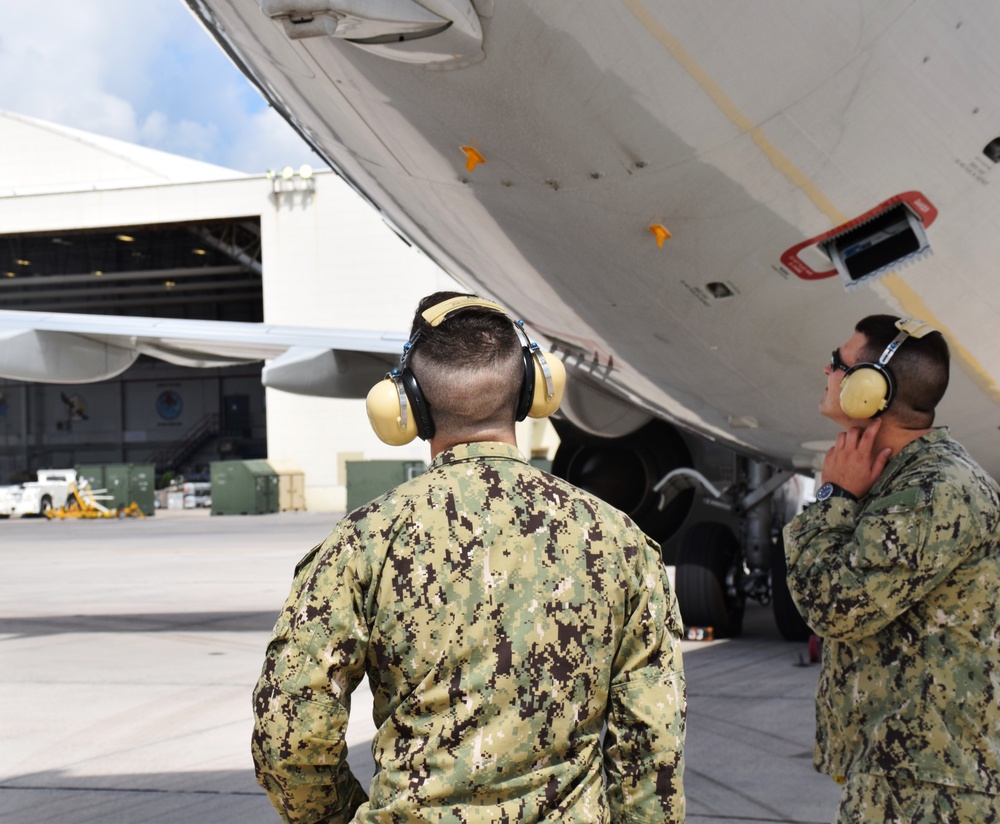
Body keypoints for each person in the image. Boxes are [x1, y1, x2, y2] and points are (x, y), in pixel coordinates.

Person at [251, 291, 687, 823]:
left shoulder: (364, 544)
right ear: (532, 391)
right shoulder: (617, 541)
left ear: (407, 405)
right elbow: (651, 747)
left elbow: (290, 738)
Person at [784, 315, 1000, 822]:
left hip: (933, 791)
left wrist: (833, 498)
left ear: (869, 389)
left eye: (838, 363)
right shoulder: (899, 483)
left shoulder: (933, 492)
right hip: (907, 780)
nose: (826, 369)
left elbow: (833, 608)